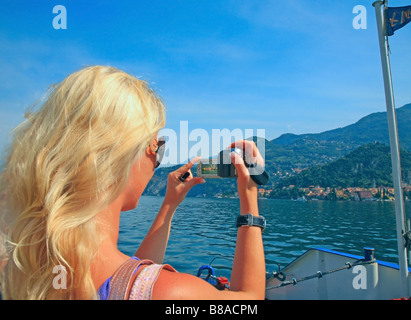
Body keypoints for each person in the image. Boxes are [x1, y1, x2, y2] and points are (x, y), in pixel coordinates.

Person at [0, 66, 265, 300]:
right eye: (157, 147)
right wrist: (249, 198)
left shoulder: (21, 265)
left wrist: (169, 205)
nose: (156, 160)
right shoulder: (172, 292)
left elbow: (134, 276)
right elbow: (250, 300)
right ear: (123, 153)